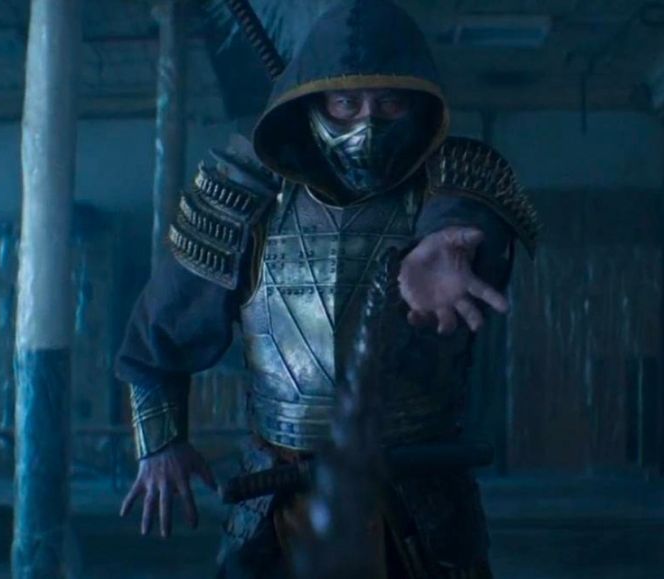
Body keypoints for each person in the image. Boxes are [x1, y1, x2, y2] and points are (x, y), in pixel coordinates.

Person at [115, 0, 538, 577]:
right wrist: (161, 442)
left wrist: (445, 245)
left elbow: (467, 215)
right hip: (278, 493)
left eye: (388, 103)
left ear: (417, 103)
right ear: (311, 102)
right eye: (346, 103)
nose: (367, 124)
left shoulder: (453, 183)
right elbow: (157, 337)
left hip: (420, 488)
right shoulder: (246, 194)